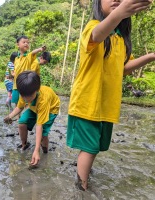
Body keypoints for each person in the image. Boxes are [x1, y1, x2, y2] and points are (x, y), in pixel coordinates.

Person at [66, 0, 153, 191]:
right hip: (87, 102)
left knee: (95, 147)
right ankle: (81, 189)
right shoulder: (93, 27)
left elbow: (123, 69)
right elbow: (96, 36)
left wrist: (151, 56)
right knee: (89, 148)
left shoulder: (121, 38)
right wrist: (119, 13)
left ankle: (83, 176)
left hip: (106, 105)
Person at [4, 71, 60, 166]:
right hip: (34, 108)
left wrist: (36, 150)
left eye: (29, 96)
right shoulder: (24, 92)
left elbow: (39, 125)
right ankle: (24, 145)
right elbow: (20, 107)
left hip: (51, 109)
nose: (25, 99)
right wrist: (10, 116)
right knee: (22, 122)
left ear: (37, 90)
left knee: (43, 134)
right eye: (23, 96)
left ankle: (45, 152)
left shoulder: (43, 100)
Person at [11, 35, 47, 105]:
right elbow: (15, 70)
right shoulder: (16, 59)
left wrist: (40, 49)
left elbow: (33, 52)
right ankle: (18, 116)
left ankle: (25, 114)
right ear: (18, 45)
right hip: (16, 85)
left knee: (25, 103)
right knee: (16, 102)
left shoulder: (28, 56)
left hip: (25, 84)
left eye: (27, 42)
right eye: (24, 42)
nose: (26, 44)